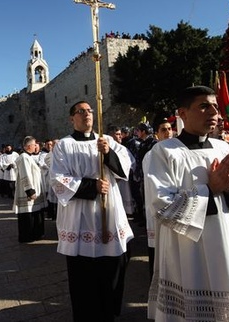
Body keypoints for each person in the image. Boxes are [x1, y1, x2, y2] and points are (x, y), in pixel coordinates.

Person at [142, 86, 229, 321]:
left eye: (214, 106)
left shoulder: (224, 148)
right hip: (187, 249)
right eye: (203, 106)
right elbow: (161, 204)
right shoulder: (163, 152)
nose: (214, 111)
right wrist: (210, 190)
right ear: (183, 113)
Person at [50, 101, 134, 321]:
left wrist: (108, 154)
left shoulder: (106, 141)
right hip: (79, 217)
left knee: (112, 267)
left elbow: (126, 167)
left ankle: (109, 312)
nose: (86, 114)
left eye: (89, 111)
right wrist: (91, 186)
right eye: (81, 112)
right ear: (72, 119)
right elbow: (57, 179)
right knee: (83, 274)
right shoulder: (64, 146)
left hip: (109, 214)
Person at [13, 136, 47, 243]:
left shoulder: (29, 157)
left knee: (34, 214)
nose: (36, 146)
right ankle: (27, 236)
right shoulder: (24, 157)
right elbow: (25, 174)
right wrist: (29, 190)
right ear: (28, 146)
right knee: (27, 215)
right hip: (28, 192)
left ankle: (35, 234)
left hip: (34, 190)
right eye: (34, 144)